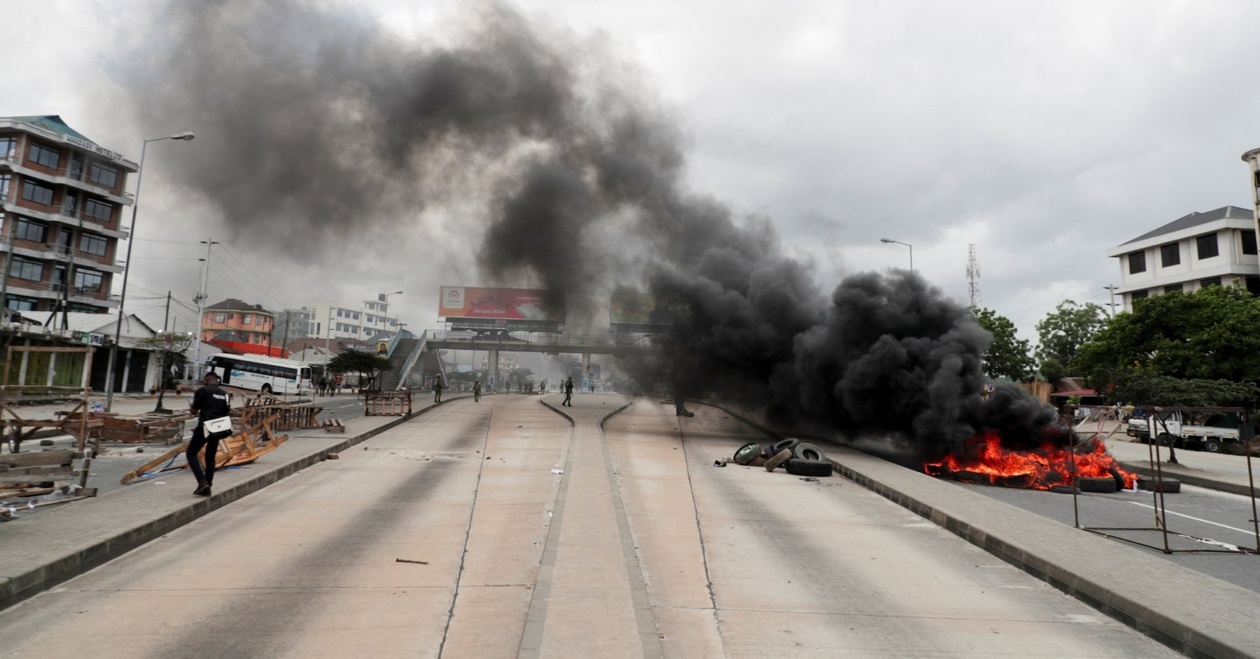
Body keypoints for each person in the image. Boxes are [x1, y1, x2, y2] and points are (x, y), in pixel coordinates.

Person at [187, 371, 232, 497]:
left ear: (206, 380)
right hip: (218, 429)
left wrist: (191, 407)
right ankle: (208, 487)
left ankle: (202, 481)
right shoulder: (224, 394)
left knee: (191, 453)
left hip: (205, 427)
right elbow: (227, 411)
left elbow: (194, 411)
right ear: (216, 380)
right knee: (210, 457)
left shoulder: (203, 391)